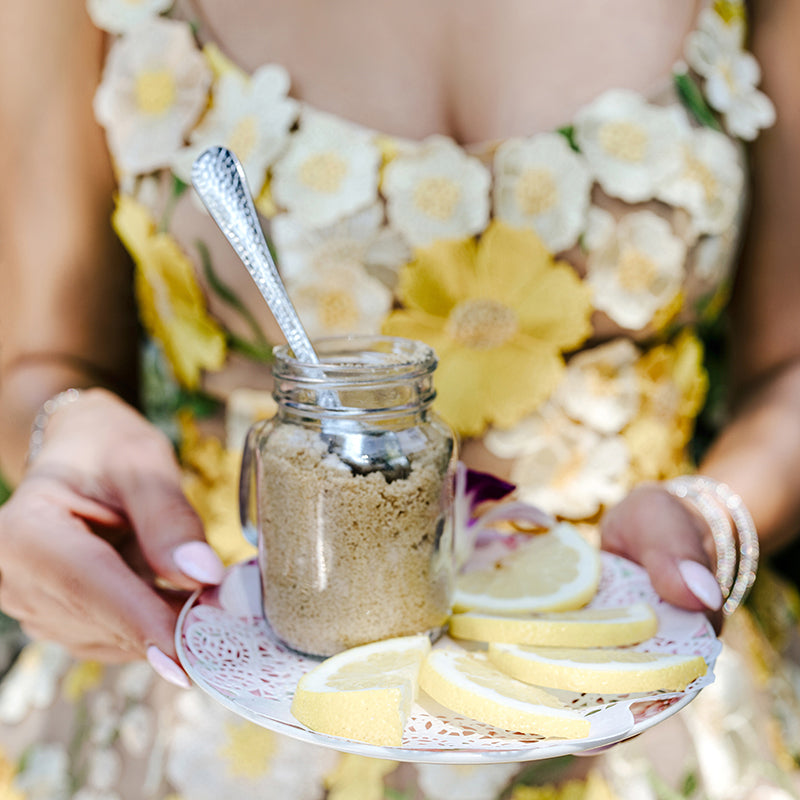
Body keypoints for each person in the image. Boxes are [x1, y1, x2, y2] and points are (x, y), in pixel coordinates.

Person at [1, 0, 800, 796]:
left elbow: (788, 369)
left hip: (627, 654)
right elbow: (40, 358)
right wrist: (64, 432)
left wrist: (713, 518)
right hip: (225, 672)